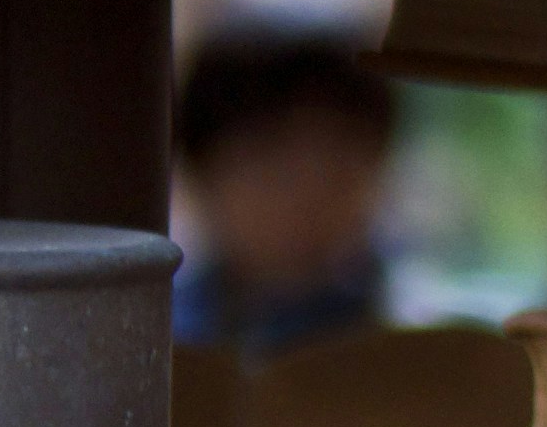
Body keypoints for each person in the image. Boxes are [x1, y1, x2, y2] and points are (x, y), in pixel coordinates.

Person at [170, 30, 397, 355]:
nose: (310, 197)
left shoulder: (395, 342)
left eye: (339, 163)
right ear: (204, 169)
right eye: (272, 162)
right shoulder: (162, 339)